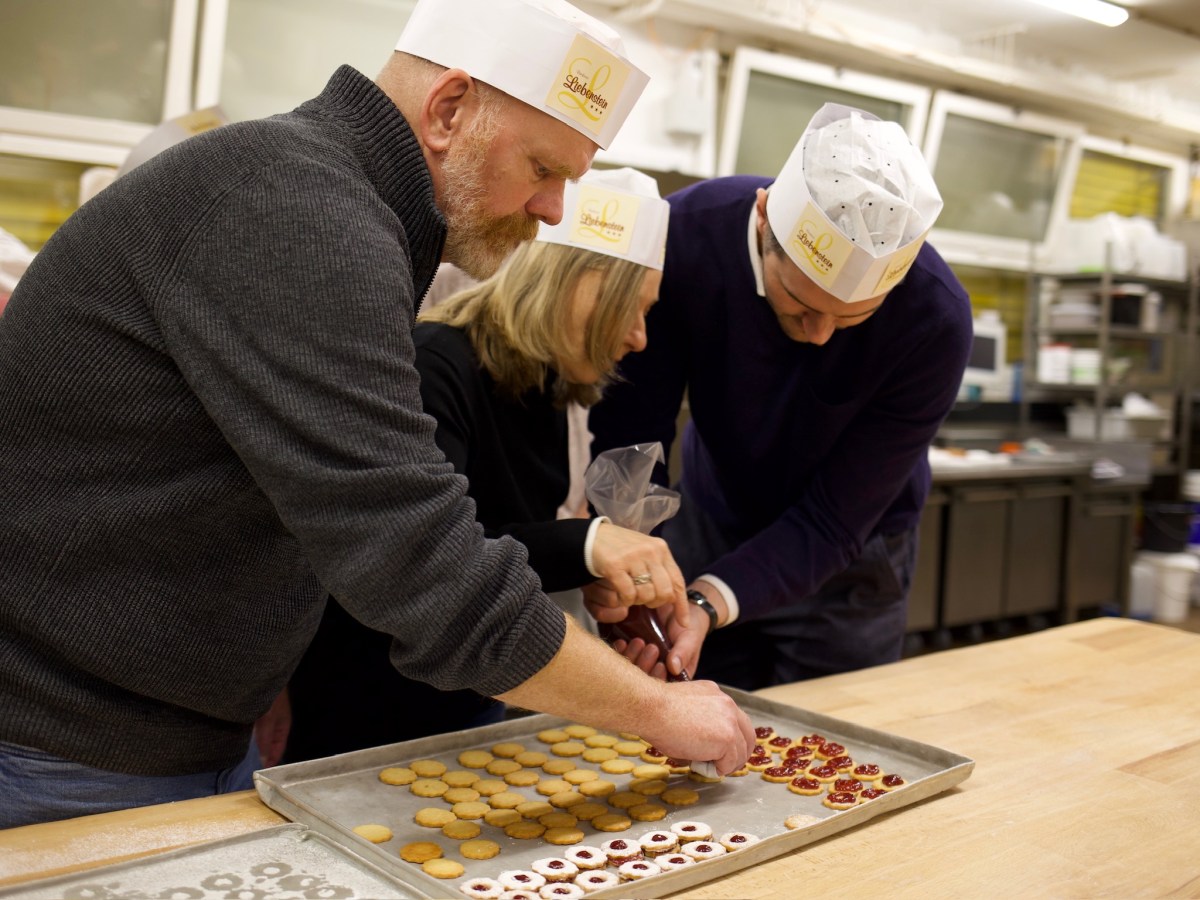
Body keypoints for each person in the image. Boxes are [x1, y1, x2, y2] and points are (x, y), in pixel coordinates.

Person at [0, 0, 754, 830]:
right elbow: (415, 555)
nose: (551, 209)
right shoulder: (297, 208)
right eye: (543, 168)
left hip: (182, 732)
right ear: (449, 108)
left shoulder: (341, 206)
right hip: (64, 748)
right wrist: (657, 710)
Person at [285, 167, 684, 761]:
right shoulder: (434, 366)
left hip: (471, 706)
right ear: (573, 283)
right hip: (366, 716)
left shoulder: (545, 384)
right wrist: (585, 543)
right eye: (632, 307)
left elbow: (503, 538)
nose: (639, 337)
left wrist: (588, 571)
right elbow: (427, 559)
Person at [588, 103, 974, 691]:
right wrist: (630, 561)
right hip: (711, 517)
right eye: (801, 304)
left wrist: (708, 603)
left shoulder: (933, 319)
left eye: (852, 319)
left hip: (851, 560)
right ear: (765, 216)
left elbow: (835, 518)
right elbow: (634, 433)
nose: (819, 336)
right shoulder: (685, 237)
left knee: (834, 731)